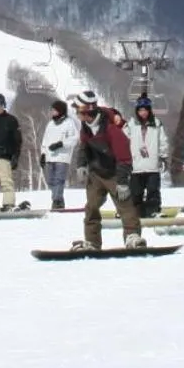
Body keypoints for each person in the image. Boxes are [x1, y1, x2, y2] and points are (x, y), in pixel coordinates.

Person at [74, 94, 143, 251]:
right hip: (96, 173)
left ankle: (132, 237)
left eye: (78, 110)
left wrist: (123, 182)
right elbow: (83, 147)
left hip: (114, 172)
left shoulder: (111, 129)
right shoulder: (85, 127)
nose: (77, 114)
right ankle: (92, 242)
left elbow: (124, 157)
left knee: (125, 205)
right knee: (91, 207)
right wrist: (81, 165)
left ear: (86, 111)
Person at [126, 96, 169, 218]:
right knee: (135, 192)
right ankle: (134, 211)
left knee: (153, 190)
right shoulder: (132, 124)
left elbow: (163, 141)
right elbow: (124, 140)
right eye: (140, 110)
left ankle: (153, 210)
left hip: (152, 165)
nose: (143, 113)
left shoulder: (156, 124)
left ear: (149, 110)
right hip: (136, 165)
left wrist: (163, 157)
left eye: (145, 110)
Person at [40, 98, 80, 209]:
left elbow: (75, 139)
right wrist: (43, 154)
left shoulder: (69, 123)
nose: (52, 112)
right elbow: (45, 141)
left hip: (62, 157)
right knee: (50, 180)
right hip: (49, 157)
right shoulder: (50, 124)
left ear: (60, 111)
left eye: (54, 110)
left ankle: (56, 201)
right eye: (52, 110)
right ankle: (59, 199)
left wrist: (61, 144)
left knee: (59, 179)